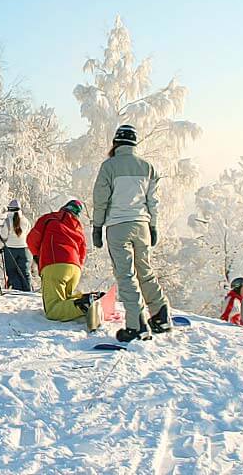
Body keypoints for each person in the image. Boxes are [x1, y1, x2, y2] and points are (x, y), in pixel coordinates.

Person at [92, 124, 170, 343]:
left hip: (118, 225)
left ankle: (136, 325)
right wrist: (153, 226)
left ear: (116, 142)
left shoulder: (109, 166)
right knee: (145, 270)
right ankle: (160, 314)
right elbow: (153, 202)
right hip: (142, 225)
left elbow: (101, 199)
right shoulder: (148, 168)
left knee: (126, 275)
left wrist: (97, 227)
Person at [27, 200, 101, 327]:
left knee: (52, 310)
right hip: (74, 268)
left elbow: (31, 239)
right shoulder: (78, 228)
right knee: (65, 301)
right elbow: (82, 252)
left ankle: (85, 304)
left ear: (63, 208)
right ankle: (91, 298)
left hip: (54, 264)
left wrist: (38, 256)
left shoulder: (49, 218)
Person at [0, 199, 33, 291]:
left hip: (10, 250)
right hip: (24, 249)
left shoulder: (7, 222)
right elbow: (29, 234)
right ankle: (28, 289)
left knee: (12, 271)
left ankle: (17, 290)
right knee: (25, 271)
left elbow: (3, 237)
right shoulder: (26, 221)